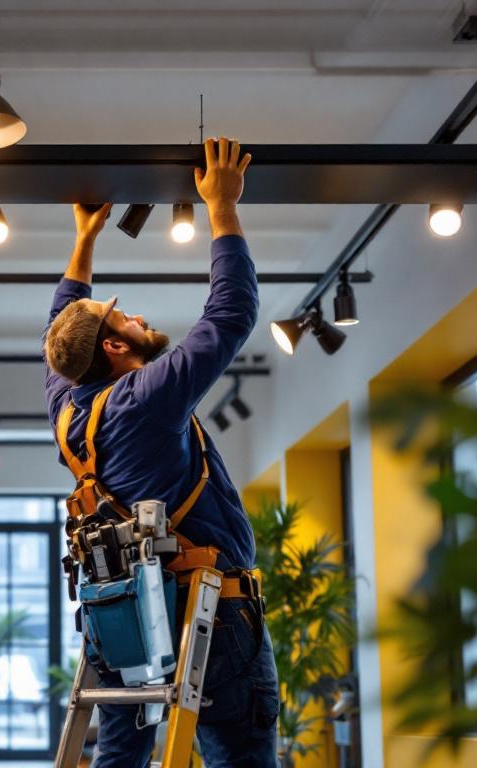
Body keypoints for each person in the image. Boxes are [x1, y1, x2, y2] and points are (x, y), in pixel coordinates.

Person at [43, 137, 278, 766]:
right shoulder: (144, 398)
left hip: (123, 619)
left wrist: (85, 238)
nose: (138, 317)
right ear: (116, 350)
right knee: (241, 756)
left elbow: (63, 324)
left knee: (120, 758)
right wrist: (223, 208)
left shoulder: (69, 410)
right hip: (209, 612)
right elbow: (231, 314)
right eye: (125, 320)